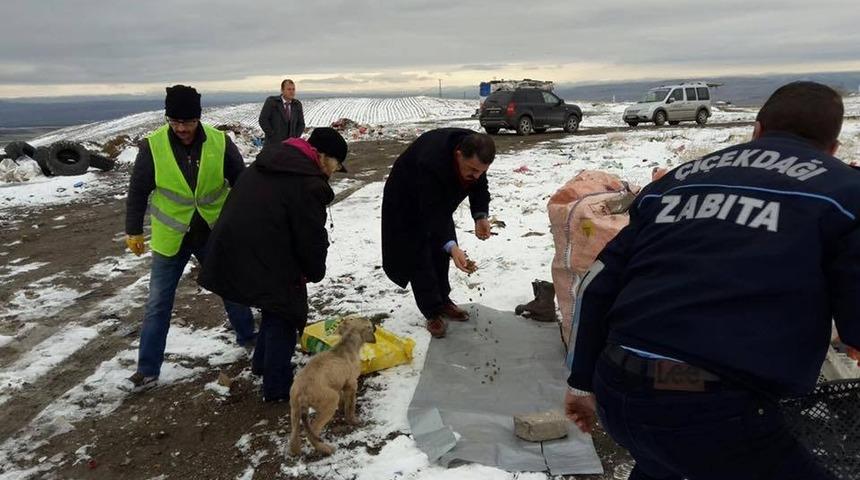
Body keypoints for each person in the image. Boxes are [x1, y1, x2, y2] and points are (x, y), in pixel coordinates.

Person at [564, 81, 858, 480]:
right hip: (713, 399)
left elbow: (595, 283)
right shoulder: (844, 192)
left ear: (757, 130)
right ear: (833, 148)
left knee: (663, 463)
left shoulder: (674, 182)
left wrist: (581, 382)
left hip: (620, 381)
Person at [198, 127, 348, 402]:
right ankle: (277, 389)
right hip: (259, 249)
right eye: (337, 165)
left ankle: (262, 365)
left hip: (236, 244)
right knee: (285, 309)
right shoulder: (308, 183)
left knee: (273, 302)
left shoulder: (275, 160)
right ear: (323, 157)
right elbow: (309, 237)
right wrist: (315, 270)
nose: (334, 172)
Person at [124, 85, 256, 392]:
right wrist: (132, 229)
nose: (182, 129)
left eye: (188, 122)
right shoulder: (152, 147)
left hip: (213, 232)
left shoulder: (220, 143)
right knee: (158, 302)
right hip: (172, 237)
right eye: (175, 122)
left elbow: (244, 183)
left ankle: (249, 337)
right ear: (167, 117)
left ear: (199, 118)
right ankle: (147, 370)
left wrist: (249, 221)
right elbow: (138, 191)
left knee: (232, 287)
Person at [381, 128, 495, 338]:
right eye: (472, 170)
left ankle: (444, 301)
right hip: (406, 200)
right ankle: (432, 310)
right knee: (420, 252)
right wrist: (452, 245)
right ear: (459, 154)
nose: (476, 176)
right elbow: (432, 211)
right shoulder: (431, 161)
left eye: (481, 171)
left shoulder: (476, 154)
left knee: (441, 249)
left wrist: (480, 216)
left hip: (437, 201)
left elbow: (479, 186)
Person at [258, 79, 306, 145]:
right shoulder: (272, 102)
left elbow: (301, 124)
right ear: (282, 90)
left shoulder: (297, 104)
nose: (292, 92)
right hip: (273, 144)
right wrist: (272, 135)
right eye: (289, 89)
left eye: (293, 89)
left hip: (290, 145)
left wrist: (295, 138)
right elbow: (263, 120)